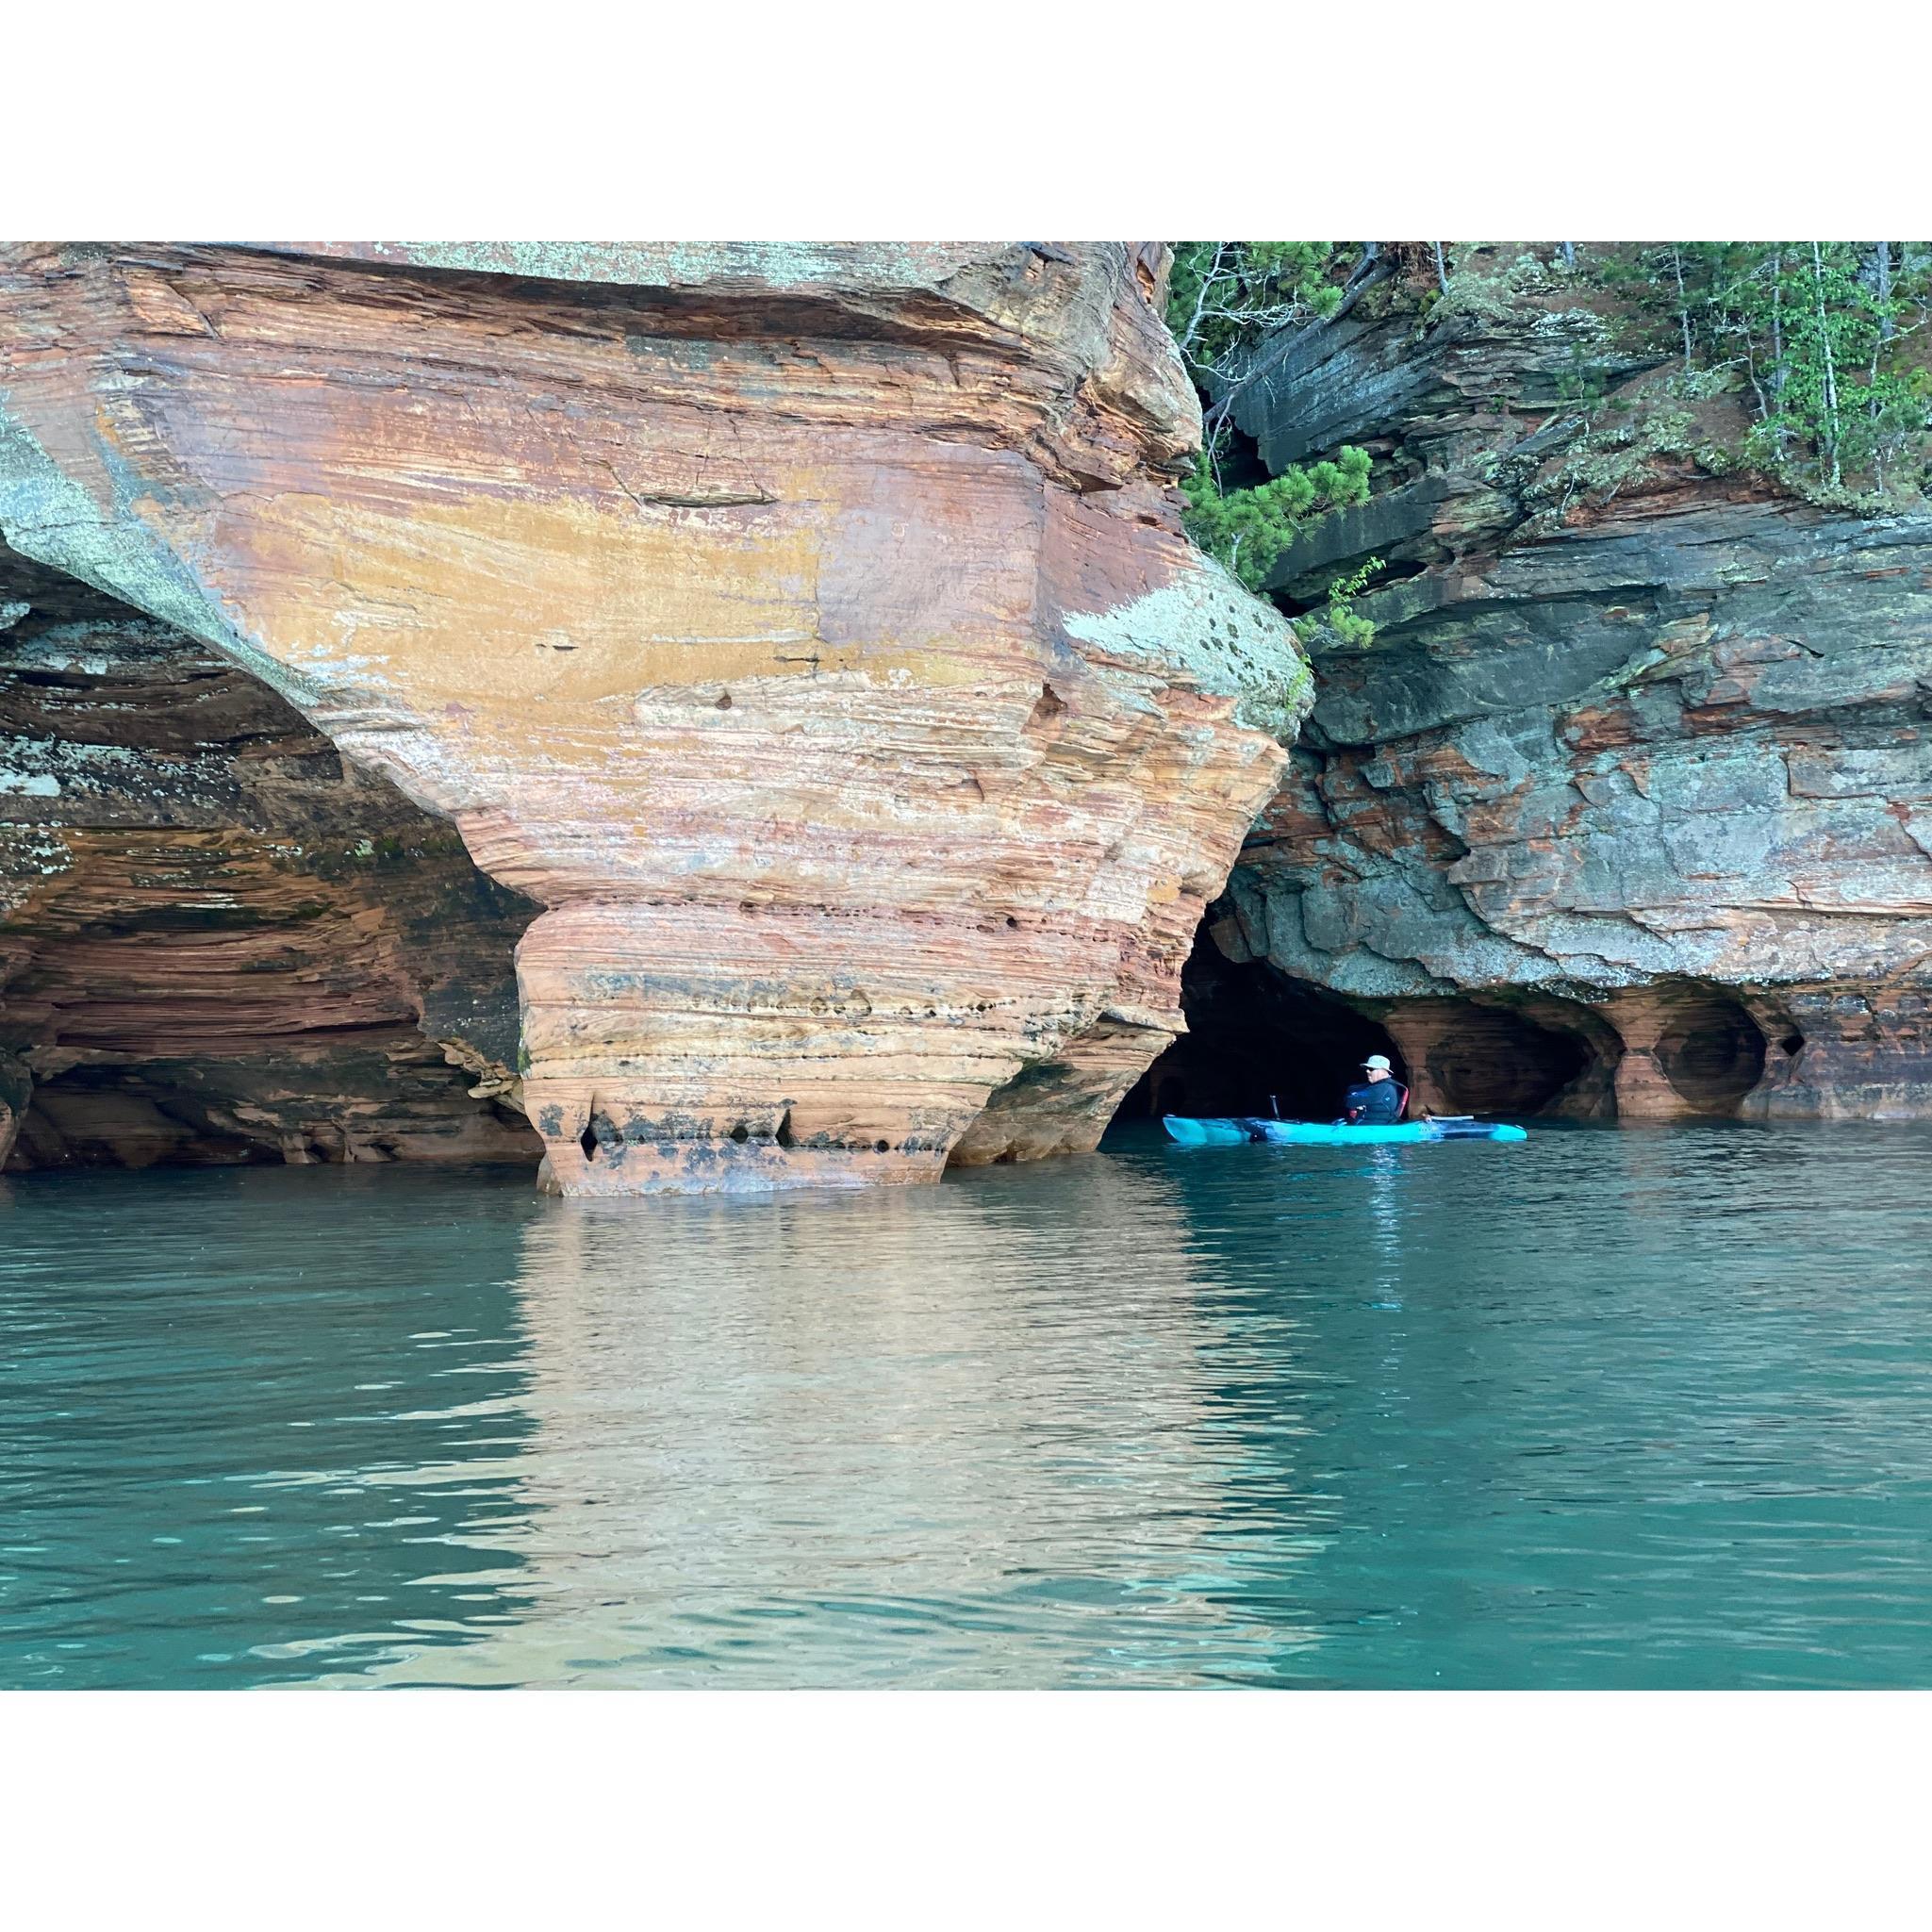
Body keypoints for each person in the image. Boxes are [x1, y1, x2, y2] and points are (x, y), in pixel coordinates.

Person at [1341, 1053, 1408, 1125]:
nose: (1367, 1071)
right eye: (1367, 1069)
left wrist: (1354, 1095)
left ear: (1382, 1071)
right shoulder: (1387, 1086)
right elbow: (1354, 1090)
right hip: (1374, 1126)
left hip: (1375, 1128)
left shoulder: (1382, 1088)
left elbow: (1350, 1101)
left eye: (1371, 1069)